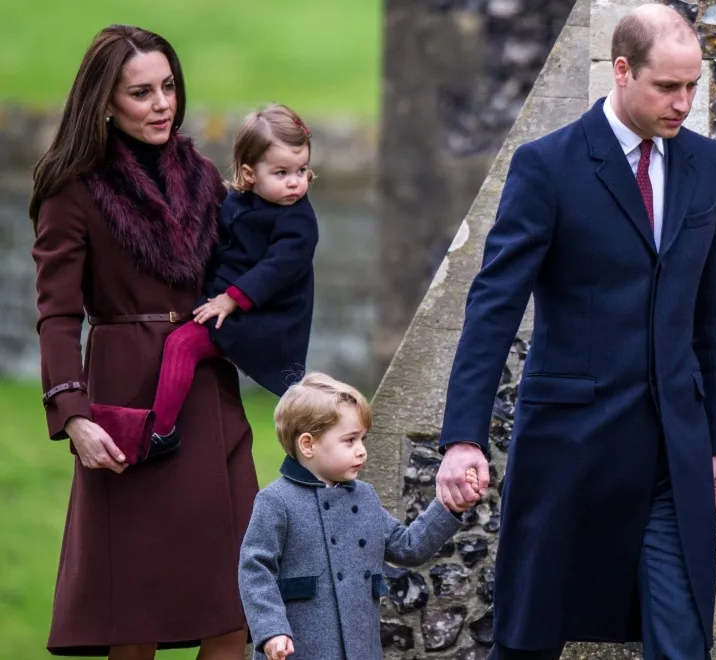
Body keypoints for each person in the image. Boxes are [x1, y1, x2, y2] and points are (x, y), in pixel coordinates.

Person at [434, 5, 716, 659]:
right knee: (526, 640)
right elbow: (493, 306)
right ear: (622, 71)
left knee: (684, 642)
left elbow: (713, 316)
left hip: (672, 454)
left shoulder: (706, 164)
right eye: (668, 86)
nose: (683, 102)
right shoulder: (547, 166)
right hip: (568, 447)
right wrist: (462, 437)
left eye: (693, 85)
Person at [31, 25, 257, 659]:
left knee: (233, 601)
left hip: (209, 398)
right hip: (129, 408)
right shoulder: (71, 190)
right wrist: (72, 415)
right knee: (132, 615)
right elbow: (55, 316)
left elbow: (247, 270)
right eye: (141, 92)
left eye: (168, 87)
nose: (162, 104)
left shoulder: (205, 177)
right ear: (106, 101)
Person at [238, 372, 464, 660]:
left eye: (363, 439)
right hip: (299, 651)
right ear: (308, 445)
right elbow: (255, 569)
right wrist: (271, 630)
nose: (362, 451)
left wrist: (450, 504)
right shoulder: (276, 501)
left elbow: (408, 546)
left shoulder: (365, 497)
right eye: (350, 440)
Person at [149, 103, 319, 444]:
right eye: (281, 173)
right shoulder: (236, 202)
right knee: (175, 340)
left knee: (182, 345)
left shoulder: (298, 220)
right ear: (250, 172)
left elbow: (278, 268)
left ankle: (159, 431)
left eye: (301, 170)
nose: (294, 183)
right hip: (228, 304)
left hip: (265, 318)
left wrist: (231, 299)